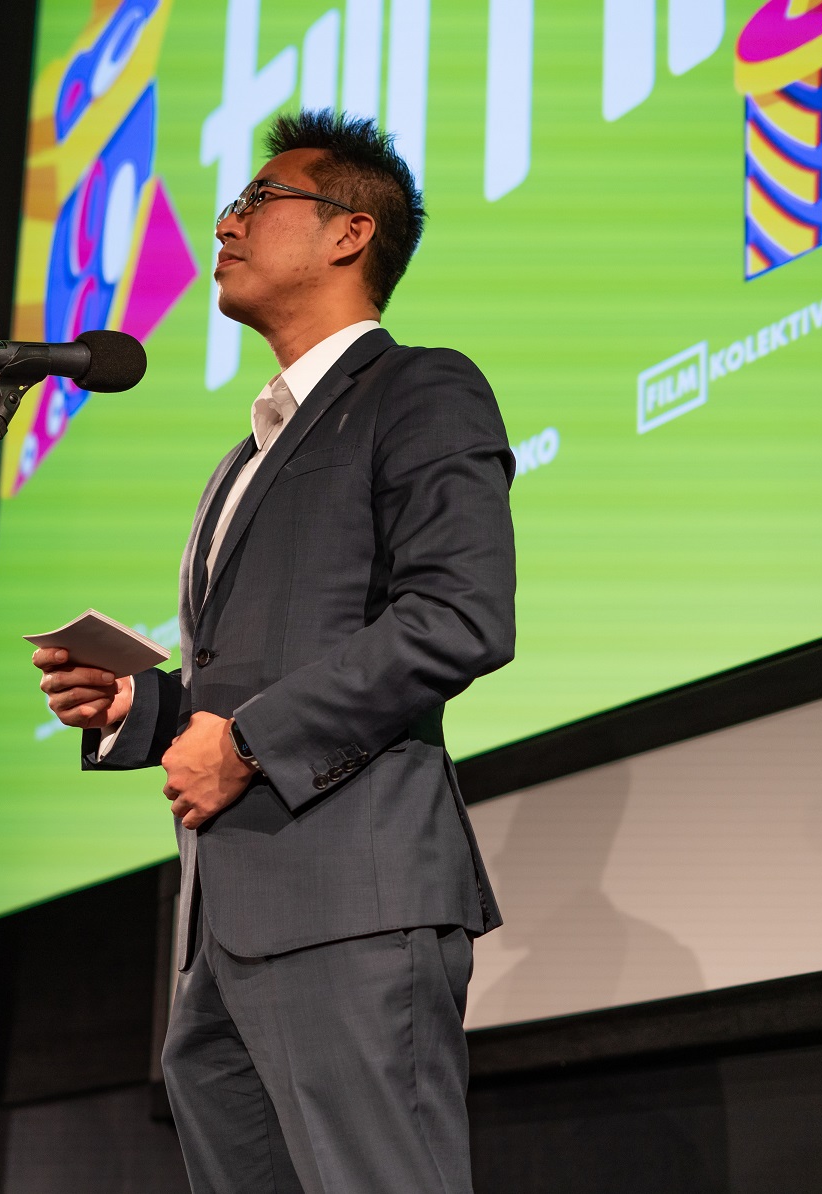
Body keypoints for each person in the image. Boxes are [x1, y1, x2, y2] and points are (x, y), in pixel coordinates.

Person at [35, 111, 516, 1193]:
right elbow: (250, 673)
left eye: (257, 200)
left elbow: (460, 615)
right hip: (224, 923)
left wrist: (247, 743)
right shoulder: (237, 459)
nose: (222, 221)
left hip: (351, 899)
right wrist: (136, 711)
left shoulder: (419, 390)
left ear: (349, 234)